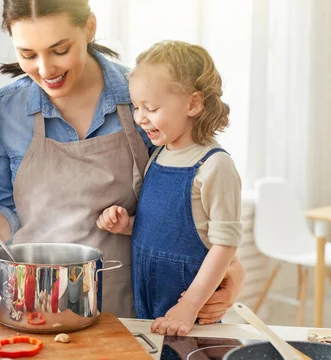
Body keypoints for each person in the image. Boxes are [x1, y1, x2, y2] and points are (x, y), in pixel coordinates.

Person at [0, 0, 244, 320]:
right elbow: (5, 224)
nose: (45, 70)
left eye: (59, 49)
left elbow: (195, 196)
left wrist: (232, 268)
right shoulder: (5, 113)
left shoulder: (143, 98)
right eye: (28, 55)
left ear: (89, 27)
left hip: (136, 308)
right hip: (35, 309)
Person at [96, 40, 243, 335]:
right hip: (146, 305)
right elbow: (167, 225)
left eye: (150, 108)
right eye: (136, 107)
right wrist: (129, 226)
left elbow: (225, 245)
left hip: (190, 314)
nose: (140, 118)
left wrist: (189, 305)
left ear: (193, 103)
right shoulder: (159, 155)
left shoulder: (215, 166)